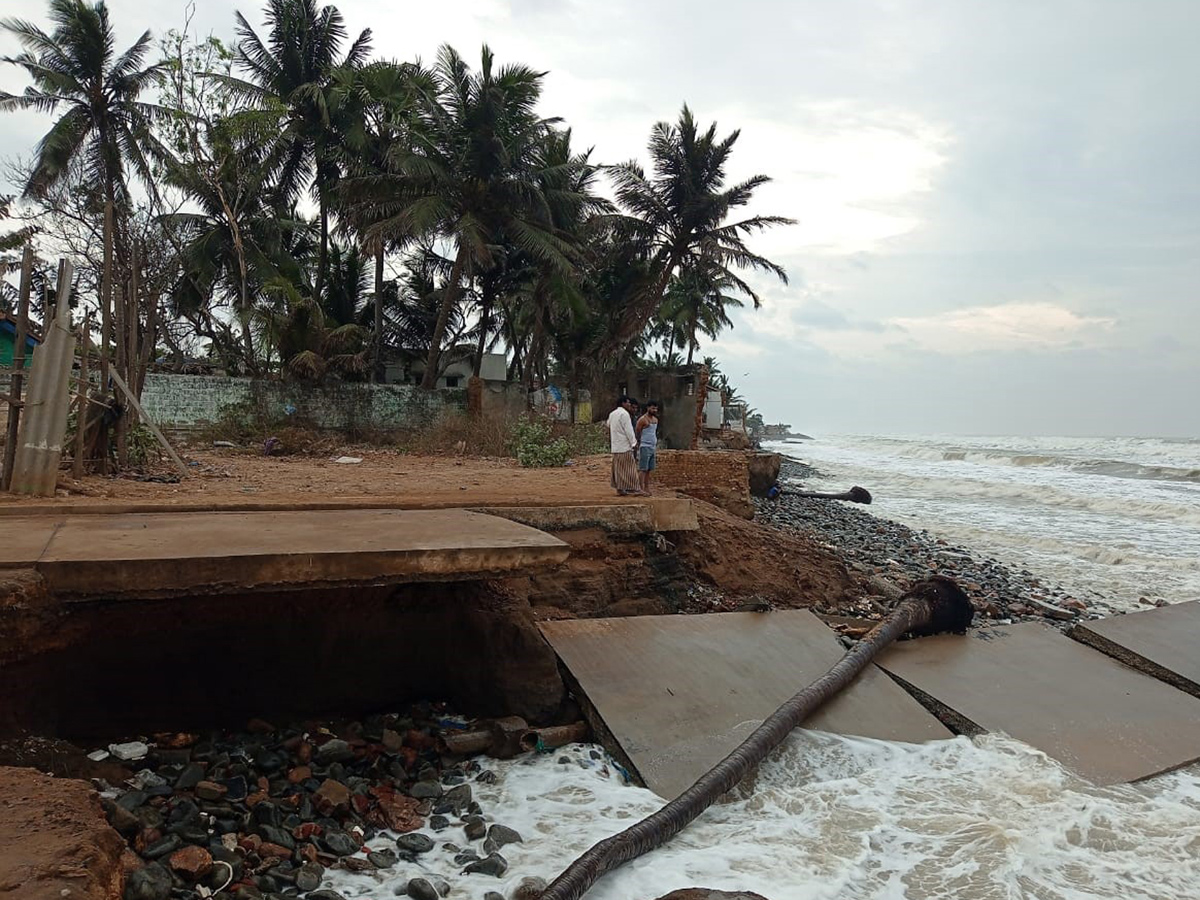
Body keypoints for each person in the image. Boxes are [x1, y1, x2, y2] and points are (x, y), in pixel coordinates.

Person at [607, 395, 643, 496]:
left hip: (615, 446)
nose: (629, 404)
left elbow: (608, 424)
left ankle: (620, 488)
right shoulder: (624, 414)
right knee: (630, 468)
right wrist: (634, 443)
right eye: (628, 403)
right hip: (624, 446)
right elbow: (629, 430)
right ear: (623, 403)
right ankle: (636, 488)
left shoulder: (612, 414)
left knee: (619, 469)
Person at [635, 400, 660, 495]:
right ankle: (640, 488)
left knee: (649, 469)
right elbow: (637, 431)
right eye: (653, 408)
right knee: (643, 468)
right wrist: (638, 442)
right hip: (644, 446)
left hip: (652, 447)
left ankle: (646, 487)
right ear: (648, 408)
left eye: (656, 408)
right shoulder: (642, 420)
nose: (654, 410)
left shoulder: (655, 420)